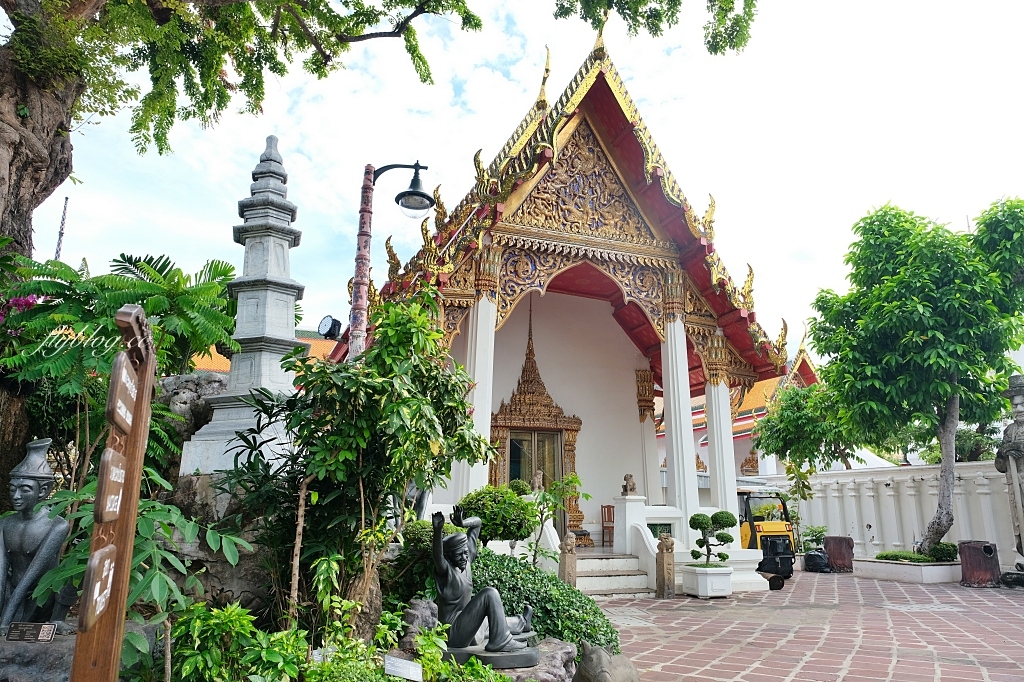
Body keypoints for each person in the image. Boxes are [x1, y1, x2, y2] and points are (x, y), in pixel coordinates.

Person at [432, 506, 532, 651]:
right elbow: (437, 557)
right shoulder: (446, 572)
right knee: (489, 594)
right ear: (449, 557)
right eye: (459, 555)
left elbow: (478, 523)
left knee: (491, 619)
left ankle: (522, 622)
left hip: (468, 627)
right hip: (452, 633)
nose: (464, 558)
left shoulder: (466, 562)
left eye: (466, 553)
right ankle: (500, 641)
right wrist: (437, 531)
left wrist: (462, 523)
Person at [0, 439, 72, 631]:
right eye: (12, 489)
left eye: (25, 490)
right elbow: (1, 570)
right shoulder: (6, 523)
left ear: (44, 491)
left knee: (73, 573)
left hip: (40, 596)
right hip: (11, 593)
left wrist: (5, 621)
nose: (16, 496)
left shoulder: (57, 525)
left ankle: (57, 619)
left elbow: (32, 574)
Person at [996, 376, 1024, 571]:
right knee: (1019, 522)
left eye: (1022, 404)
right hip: (1016, 483)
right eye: (1015, 406)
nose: (1018, 409)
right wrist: (1004, 451)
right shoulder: (1009, 430)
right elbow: (1000, 465)